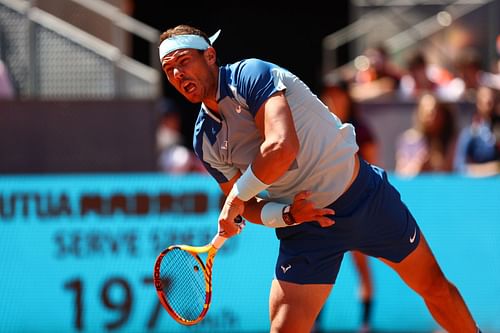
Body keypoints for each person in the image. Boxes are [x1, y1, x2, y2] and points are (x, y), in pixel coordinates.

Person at [158, 24, 482, 333]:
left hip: (364, 197)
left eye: (184, 61)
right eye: (169, 69)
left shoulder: (250, 75)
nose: (178, 74)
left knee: (435, 288)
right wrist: (285, 215)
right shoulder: (204, 140)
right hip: (306, 226)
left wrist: (236, 198)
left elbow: (282, 147)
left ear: (210, 56)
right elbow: (250, 207)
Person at [319, 81, 378, 332]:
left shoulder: (361, 129)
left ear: (347, 98)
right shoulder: (318, 127)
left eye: (337, 95)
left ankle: (365, 324)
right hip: (325, 207)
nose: (333, 100)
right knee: (317, 269)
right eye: (328, 95)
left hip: (356, 208)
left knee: (361, 264)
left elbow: (372, 166)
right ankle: (315, 324)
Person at [395, 93, 458, 177]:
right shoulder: (409, 140)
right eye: (426, 112)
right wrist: (418, 165)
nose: (430, 117)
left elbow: (456, 170)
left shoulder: (452, 141)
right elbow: (400, 173)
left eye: (434, 113)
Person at [453, 85, 500, 177]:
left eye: (493, 98)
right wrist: (490, 169)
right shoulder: (469, 132)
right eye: (484, 97)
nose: (488, 101)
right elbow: (459, 166)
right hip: (478, 186)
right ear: (477, 103)